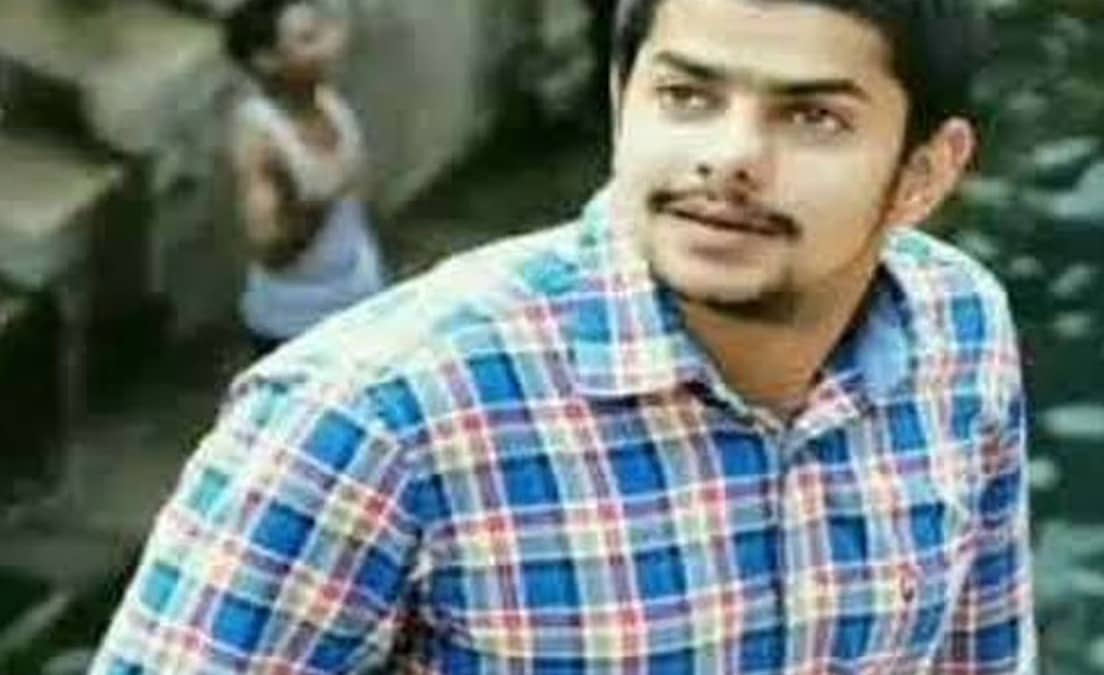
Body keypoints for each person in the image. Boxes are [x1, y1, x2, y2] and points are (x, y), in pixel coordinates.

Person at [91, 0, 1035, 671]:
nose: (729, 158)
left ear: (925, 173)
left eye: (812, 116)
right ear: (624, 97)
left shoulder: (959, 330)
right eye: (688, 96)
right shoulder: (370, 421)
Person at [227, 0, 384, 357]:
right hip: (297, 326)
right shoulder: (260, 136)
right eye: (308, 40)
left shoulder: (329, 102)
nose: (330, 46)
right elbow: (271, 248)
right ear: (267, 60)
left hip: (360, 299)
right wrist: (322, 200)